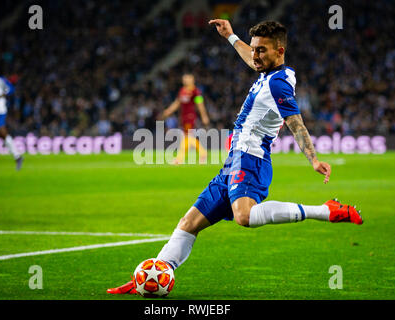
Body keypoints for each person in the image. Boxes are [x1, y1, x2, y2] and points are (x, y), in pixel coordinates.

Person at [107, 20, 363, 295]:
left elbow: (296, 123)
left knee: (244, 216)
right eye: (254, 50)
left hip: (251, 158)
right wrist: (231, 37)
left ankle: (326, 211)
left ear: (279, 50)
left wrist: (313, 159)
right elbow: (249, 56)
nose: (255, 56)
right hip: (234, 161)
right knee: (188, 224)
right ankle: (152, 275)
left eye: (261, 51)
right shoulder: (268, 73)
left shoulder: (278, 84)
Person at [161, 73, 210, 164]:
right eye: (184, 79)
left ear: (192, 80)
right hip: (183, 117)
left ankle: (180, 158)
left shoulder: (195, 91)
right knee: (187, 137)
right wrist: (168, 111)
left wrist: (204, 116)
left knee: (187, 137)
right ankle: (201, 153)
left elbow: (200, 104)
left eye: (187, 79)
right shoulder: (182, 90)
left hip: (190, 117)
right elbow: (177, 103)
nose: (185, 80)